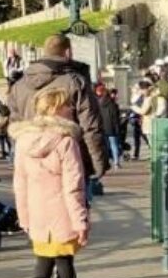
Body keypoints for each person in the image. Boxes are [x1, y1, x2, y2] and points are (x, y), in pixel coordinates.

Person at [12, 86, 91, 278]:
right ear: (57, 109)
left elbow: (19, 182)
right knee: (65, 265)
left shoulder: (23, 141)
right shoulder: (66, 142)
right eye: (67, 105)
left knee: (43, 263)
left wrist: (23, 216)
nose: (71, 109)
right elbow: (73, 187)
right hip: (62, 213)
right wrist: (81, 221)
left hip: (37, 212)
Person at [9, 35, 109, 179]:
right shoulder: (75, 82)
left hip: (32, 159)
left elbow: (15, 125)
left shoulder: (18, 86)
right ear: (68, 52)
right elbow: (90, 126)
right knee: (73, 197)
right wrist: (97, 163)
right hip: (69, 158)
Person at [95, 83, 123, 171]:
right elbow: (115, 117)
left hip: (102, 127)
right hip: (111, 127)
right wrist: (117, 127)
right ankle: (116, 162)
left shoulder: (99, 104)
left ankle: (106, 162)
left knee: (106, 146)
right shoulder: (113, 105)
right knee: (114, 145)